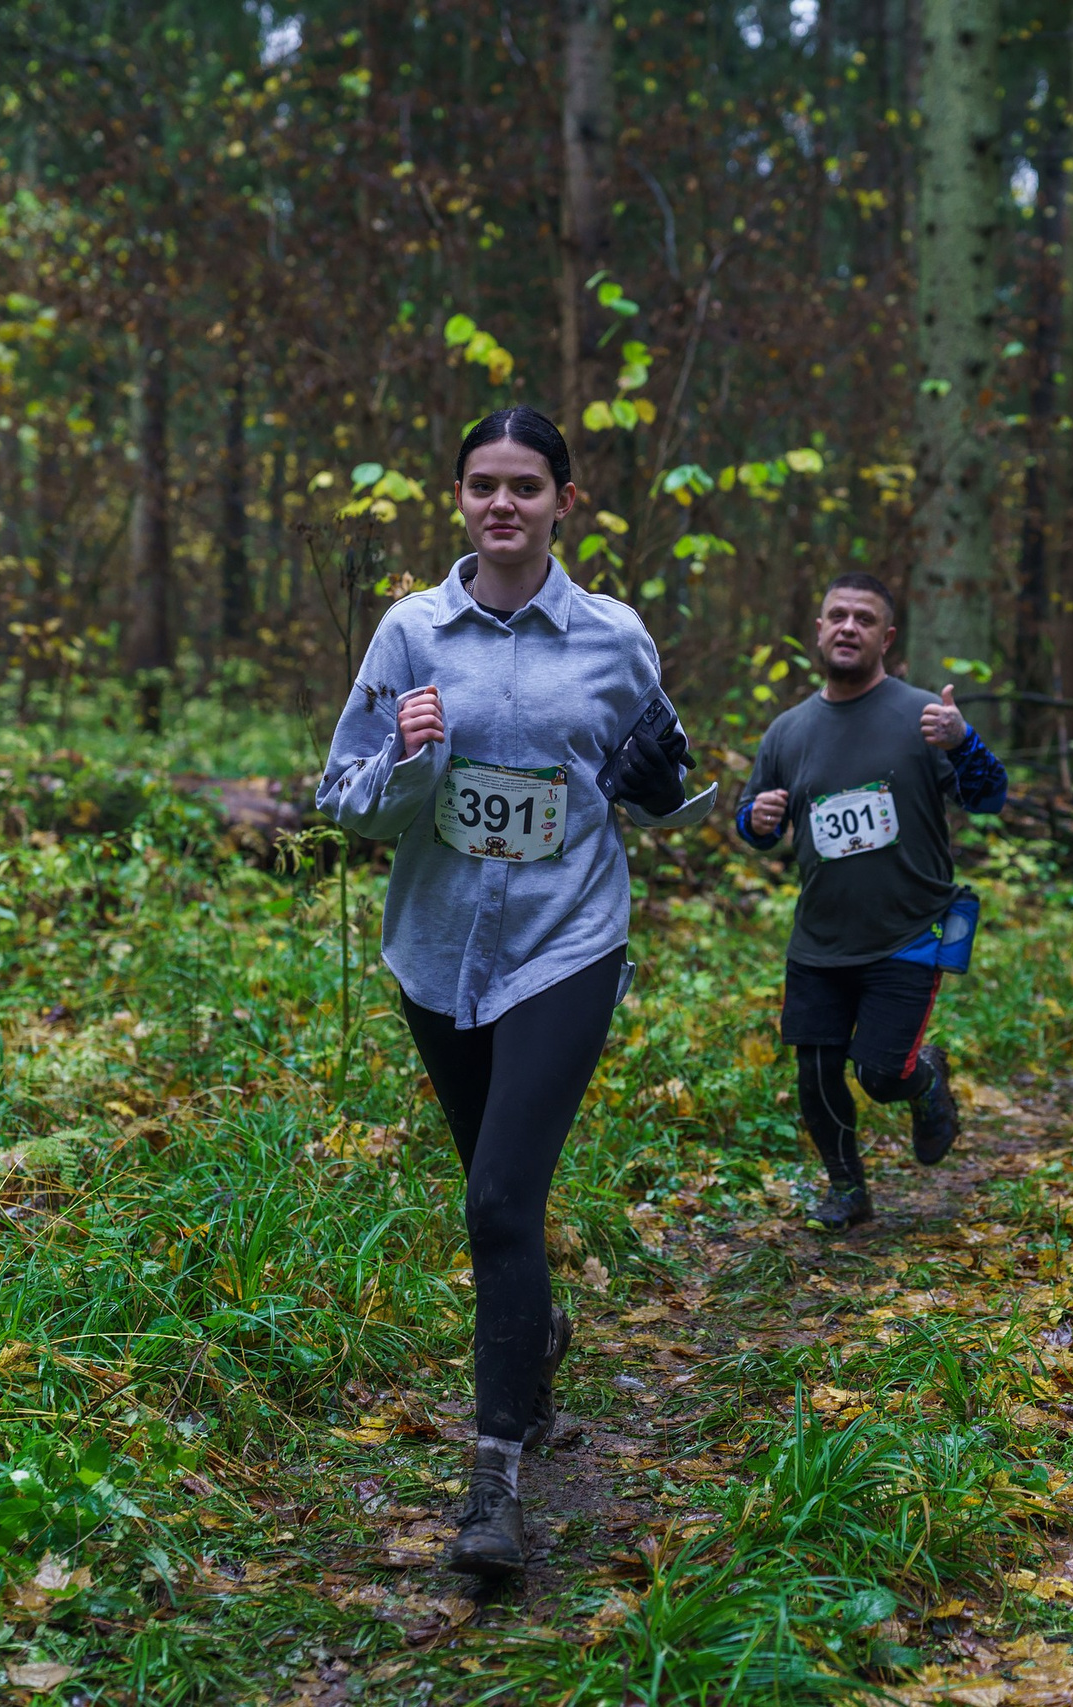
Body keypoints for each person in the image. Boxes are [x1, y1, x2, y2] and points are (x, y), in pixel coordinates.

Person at [317, 407, 714, 1579]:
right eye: (483, 484)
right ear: (456, 500)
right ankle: (531, 1334)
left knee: (498, 1198)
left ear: (562, 503)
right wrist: (407, 762)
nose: (503, 504)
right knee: (494, 1199)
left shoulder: (612, 636)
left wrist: (664, 786)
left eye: (526, 486)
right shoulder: (409, 632)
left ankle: (493, 1478)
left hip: (564, 944)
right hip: (436, 951)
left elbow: (660, 784)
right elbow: (341, 795)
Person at [737, 573, 1009, 1231]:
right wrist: (758, 816)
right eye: (838, 615)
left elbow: (990, 798)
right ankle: (847, 1189)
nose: (849, 627)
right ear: (820, 629)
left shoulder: (923, 716)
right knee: (817, 1074)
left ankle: (925, 1079)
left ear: (886, 636)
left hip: (911, 931)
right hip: (820, 937)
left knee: (882, 1072)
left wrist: (964, 741)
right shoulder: (788, 730)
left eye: (864, 618)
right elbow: (752, 826)